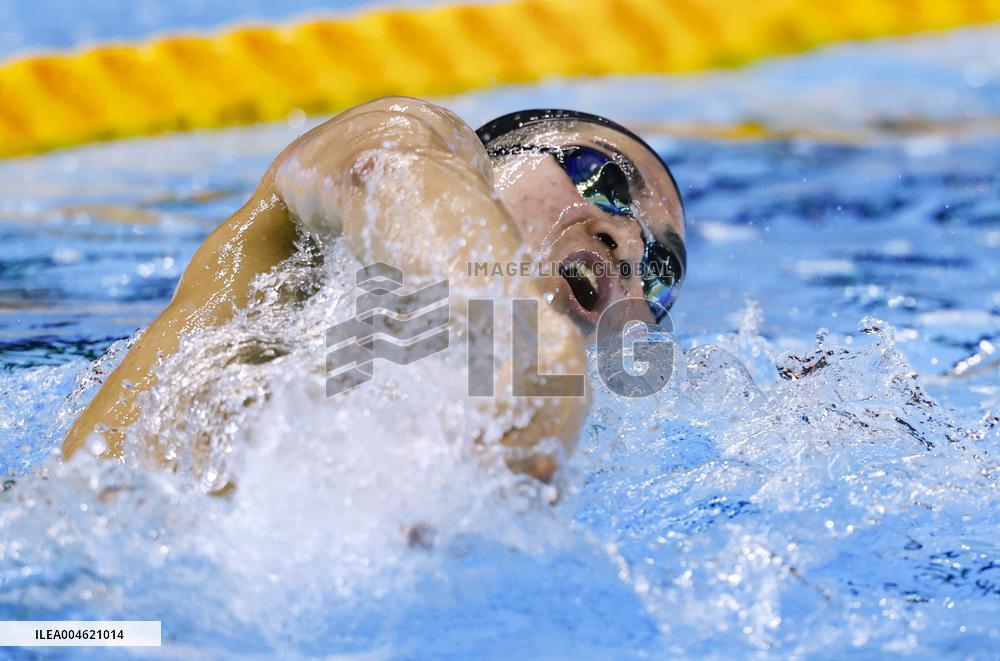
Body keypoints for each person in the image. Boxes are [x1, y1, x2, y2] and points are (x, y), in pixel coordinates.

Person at [61, 97, 685, 483]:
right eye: (601, 179)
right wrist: (497, 313)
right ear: (488, 160)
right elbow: (388, 170)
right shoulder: (383, 162)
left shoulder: (553, 449)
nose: (629, 242)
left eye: (660, 270)